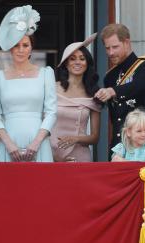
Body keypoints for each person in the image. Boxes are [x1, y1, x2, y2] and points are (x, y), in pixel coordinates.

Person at [0, 5, 56, 162]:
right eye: (16, 45)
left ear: (31, 48)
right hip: (8, 144)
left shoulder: (46, 74)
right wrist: (9, 144)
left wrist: (36, 142)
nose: (20, 50)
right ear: (10, 49)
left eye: (25, 45)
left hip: (39, 143)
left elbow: (51, 112)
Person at [95, 24, 145, 148]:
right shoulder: (110, 76)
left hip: (143, 144)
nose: (111, 53)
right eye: (107, 48)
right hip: (119, 144)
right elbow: (115, 117)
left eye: (115, 47)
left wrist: (113, 91)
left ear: (127, 42)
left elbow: (142, 85)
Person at [52, 33, 101, 162]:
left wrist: (76, 138)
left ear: (87, 63)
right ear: (66, 64)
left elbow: (95, 137)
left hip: (80, 157)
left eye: (82, 58)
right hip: (51, 155)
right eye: (72, 59)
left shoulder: (94, 94)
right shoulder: (52, 89)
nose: (77, 62)